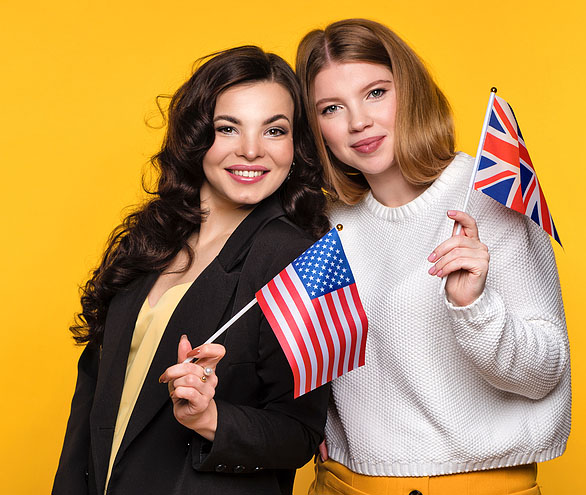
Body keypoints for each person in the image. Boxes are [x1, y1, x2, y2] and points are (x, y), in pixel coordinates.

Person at [296, 19, 570, 495]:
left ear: (411, 91)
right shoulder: (324, 221)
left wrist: (474, 307)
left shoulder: (487, 193)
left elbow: (545, 374)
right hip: (341, 484)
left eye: (376, 93)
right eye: (332, 107)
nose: (358, 121)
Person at [53, 45, 331, 495]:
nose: (251, 150)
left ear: (295, 146)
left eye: (274, 130)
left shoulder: (296, 260)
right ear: (197, 135)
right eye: (228, 128)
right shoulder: (150, 238)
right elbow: (90, 400)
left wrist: (210, 418)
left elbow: (298, 432)